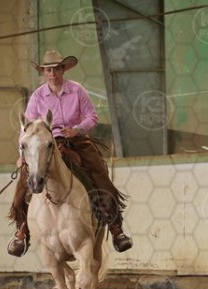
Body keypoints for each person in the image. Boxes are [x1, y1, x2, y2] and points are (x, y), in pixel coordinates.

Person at [7, 50, 133, 256]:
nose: (53, 73)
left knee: (98, 172)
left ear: (63, 69)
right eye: (48, 70)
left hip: (75, 141)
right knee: (24, 180)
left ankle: (115, 227)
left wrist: (77, 129)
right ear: (44, 72)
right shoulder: (38, 96)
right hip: (45, 144)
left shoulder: (77, 90)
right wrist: (22, 155)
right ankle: (22, 231)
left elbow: (92, 116)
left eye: (57, 69)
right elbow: (26, 129)